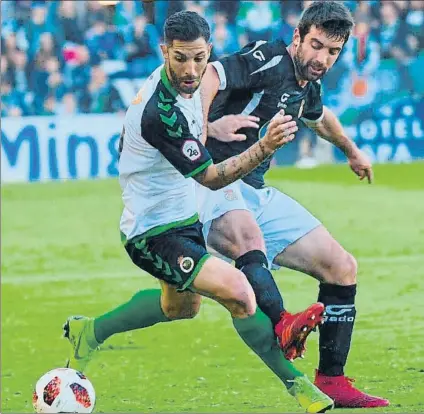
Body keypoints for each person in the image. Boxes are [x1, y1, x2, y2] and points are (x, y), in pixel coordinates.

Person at [63, 11, 333, 413]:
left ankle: (90, 333)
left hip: (184, 218)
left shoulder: (191, 87)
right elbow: (209, 177)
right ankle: (300, 389)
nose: (191, 70)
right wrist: (264, 146)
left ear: (209, 53)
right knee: (240, 294)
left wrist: (214, 126)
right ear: (163, 52)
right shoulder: (160, 111)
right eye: (180, 59)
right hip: (152, 233)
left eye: (199, 59)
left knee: (180, 307)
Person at [196, 1, 389, 409]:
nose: (322, 58)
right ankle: (282, 324)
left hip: (254, 190)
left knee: (342, 267)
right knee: (248, 238)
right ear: (298, 36)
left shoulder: (306, 85)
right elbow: (210, 74)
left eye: (333, 52)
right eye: (316, 45)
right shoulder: (268, 57)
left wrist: (352, 151)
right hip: (212, 182)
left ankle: (333, 380)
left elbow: (320, 118)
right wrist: (203, 128)